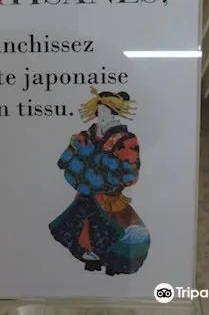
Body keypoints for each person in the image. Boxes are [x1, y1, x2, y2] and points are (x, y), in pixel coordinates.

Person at [49, 88, 150, 276]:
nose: (102, 113)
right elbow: (70, 154)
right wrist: (72, 159)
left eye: (106, 110)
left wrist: (102, 166)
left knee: (113, 230)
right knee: (81, 228)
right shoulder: (87, 135)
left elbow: (130, 171)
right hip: (85, 191)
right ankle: (90, 260)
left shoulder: (125, 139)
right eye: (100, 109)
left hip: (109, 196)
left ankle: (111, 264)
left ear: (114, 111)